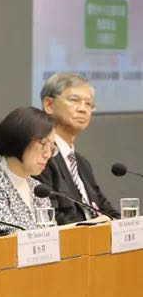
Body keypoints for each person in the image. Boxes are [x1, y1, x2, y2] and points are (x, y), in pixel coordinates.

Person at [37, 72, 118, 223]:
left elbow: (105, 208)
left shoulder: (81, 163)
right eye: (74, 100)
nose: (83, 109)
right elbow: (50, 216)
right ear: (48, 104)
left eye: (89, 103)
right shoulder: (40, 158)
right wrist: (93, 227)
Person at [0, 107, 57, 235]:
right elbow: (10, 236)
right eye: (43, 144)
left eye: (52, 147)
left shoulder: (37, 189)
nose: (48, 154)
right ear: (20, 138)